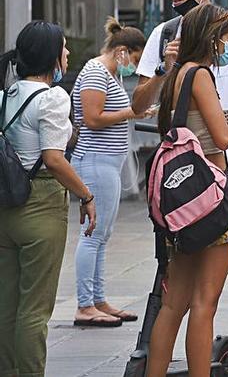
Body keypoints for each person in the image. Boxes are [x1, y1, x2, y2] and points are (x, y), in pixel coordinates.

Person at [132, 0, 228, 377]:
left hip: (176, 195)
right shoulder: (199, 74)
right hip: (209, 190)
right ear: (209, 38)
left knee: (174, 302)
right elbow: (224, 133)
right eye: (223, 40)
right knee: (204, 304)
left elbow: (175, 122)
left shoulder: (176, 77)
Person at [0, 21, 97, 377]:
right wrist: (86, 194)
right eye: (65, 48)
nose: (68, 54)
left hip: (6, 205)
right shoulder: (53, 98)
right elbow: (54, 159)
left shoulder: (4, 95)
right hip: (40, 204)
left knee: (7, 304)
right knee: (34, 309)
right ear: (51, 56)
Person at [70, 17, 147, 328]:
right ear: (122, 51)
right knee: (92, 235)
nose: (135, 66)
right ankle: (84, 304)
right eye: (135, 59)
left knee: (102, 235)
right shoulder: (94, 73)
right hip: (94, 161)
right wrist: (133, 111)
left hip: (107, 163)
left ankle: (98, 299)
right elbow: (92, 118)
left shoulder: (111, 74)